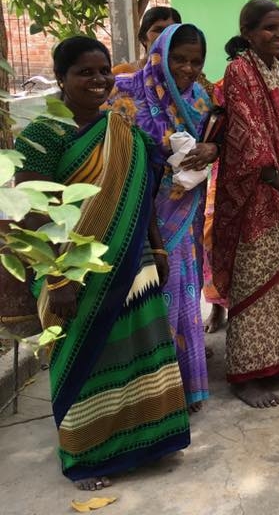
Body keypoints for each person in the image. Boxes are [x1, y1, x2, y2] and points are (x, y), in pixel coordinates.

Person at [15, 36, 190, 488]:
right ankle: (88, 455)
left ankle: (148, 443)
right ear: (61, 79)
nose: (97, 80)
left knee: (142, 351)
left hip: (133, 261)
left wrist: (158, 247)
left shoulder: (123, 129)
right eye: (84, 72)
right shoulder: (42, 136)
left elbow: (143, 195)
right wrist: (57, 277)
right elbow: (35, 212)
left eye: (103, 71)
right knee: (84, 359)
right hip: (71, 272)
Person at [213, 0, 279, 408]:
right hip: (260, 198)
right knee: (254, 283)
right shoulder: (240, 70)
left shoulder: (277, 68)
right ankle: (247, 375)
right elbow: (248, 135)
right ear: (247, 33)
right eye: (269, 29)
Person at [107, 24, 219, 412]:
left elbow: (211, 145)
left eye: (196, 61)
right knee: (147, 294)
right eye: (179, 59)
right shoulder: (127, 91)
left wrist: (210, 148)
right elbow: (110, 154)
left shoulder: (201, 100)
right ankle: (150, 395)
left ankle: (183, 389)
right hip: (138, 211)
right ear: (159, 54)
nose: (187, 68)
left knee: (182, 291)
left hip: (183, 212)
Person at [112, 6, 182, 75]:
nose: (165, 35)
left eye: (171, 30)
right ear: (143, 38)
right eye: (158, 30)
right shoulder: (121, 72)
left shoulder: (184, 74)